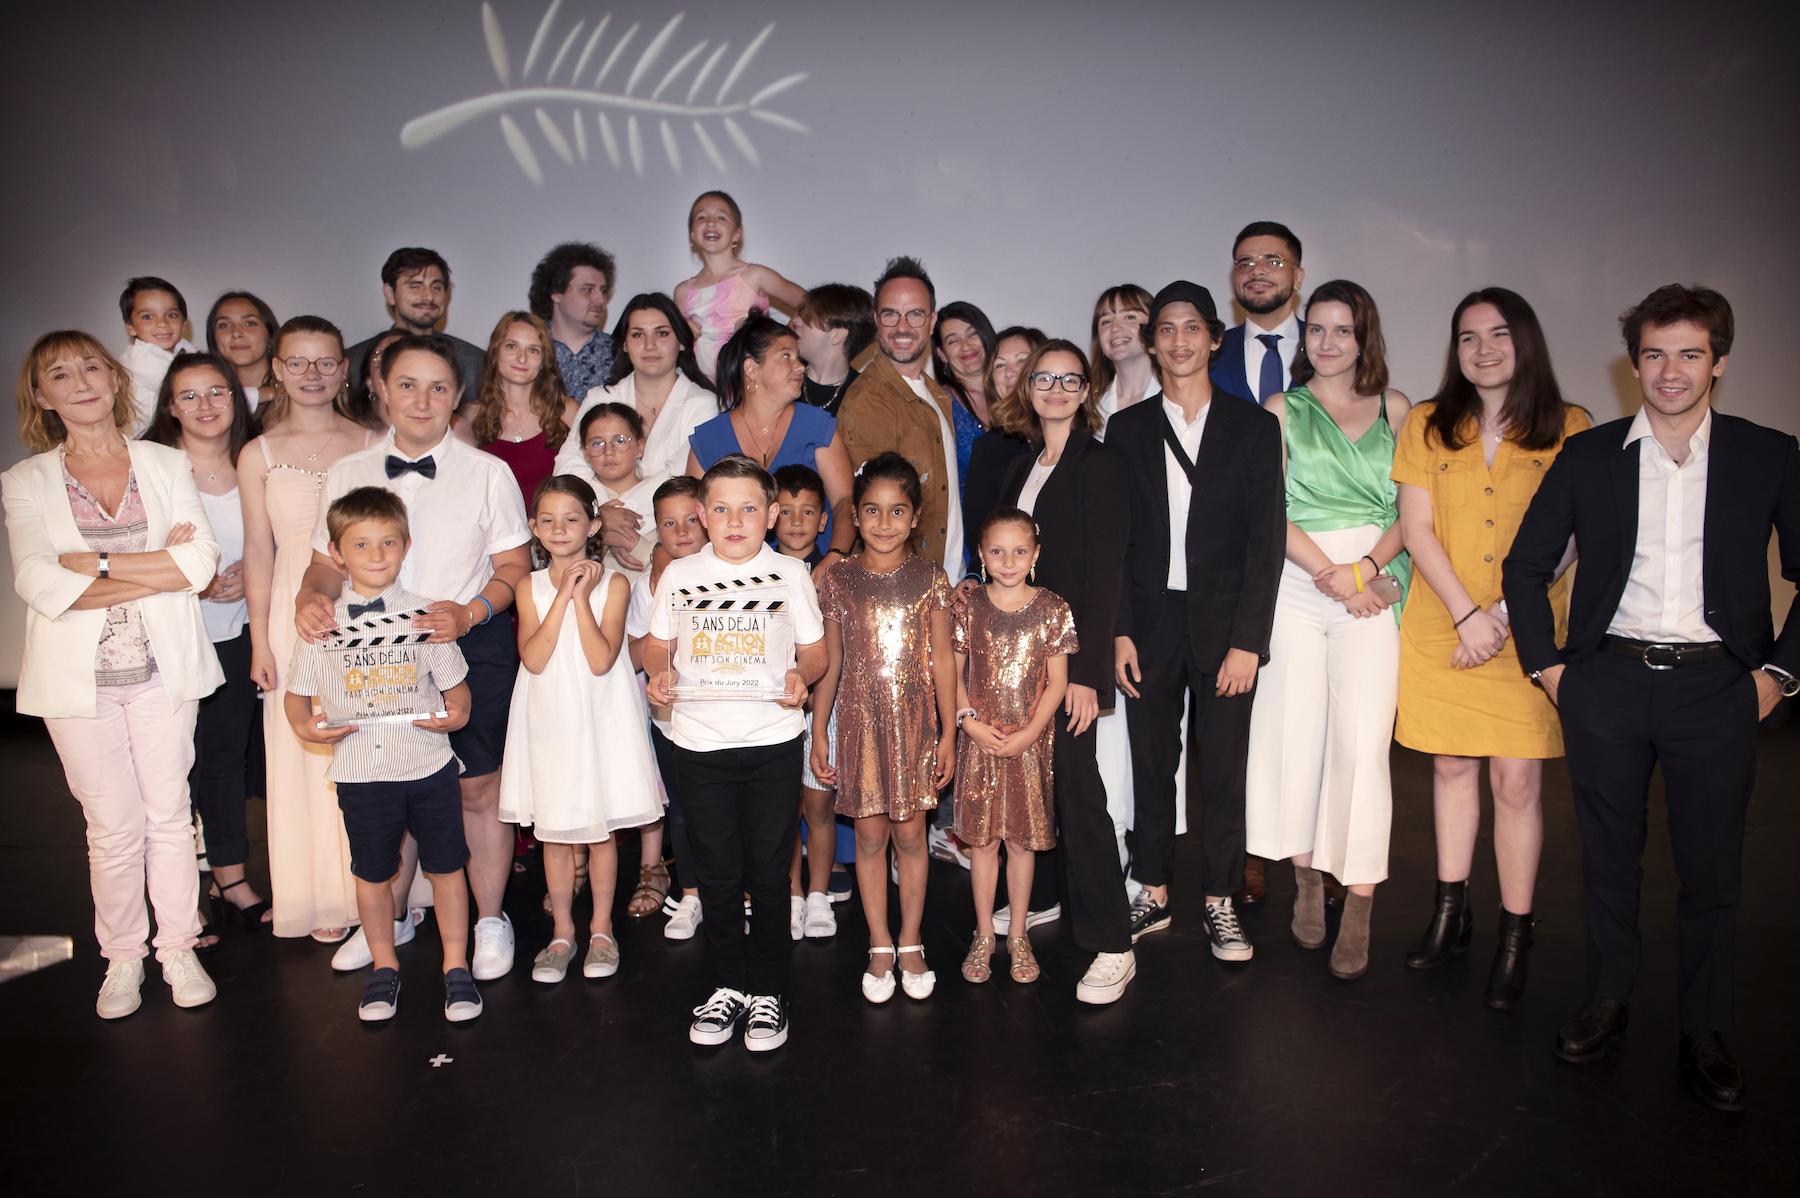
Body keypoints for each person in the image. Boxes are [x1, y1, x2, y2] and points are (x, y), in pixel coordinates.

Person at [1504, 284, 1800, 1113]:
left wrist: (1777, 677)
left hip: (1719, 688)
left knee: (1712, 868)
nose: (1672, 371)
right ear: (1634, 364)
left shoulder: (1769, 454)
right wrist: (1550, 670)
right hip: (1607, 683)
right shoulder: (1590, 455)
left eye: (1690, 354)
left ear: (1719, 362)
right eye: (1656, 354)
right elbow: (1525, 567)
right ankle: (1608, 1000)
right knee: (1607, 859)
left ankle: (1705, 1028)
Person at [296, 333, 532, 981]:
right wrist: (310, 598)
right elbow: (324, 565)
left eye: (437, 388)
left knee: (476, 787)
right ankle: (393, 919)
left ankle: (490, 920)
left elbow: (515, 569)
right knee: (388, 785)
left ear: (458, 397)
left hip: (467, 641)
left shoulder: (488, 473)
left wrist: (470, 613)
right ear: (380, 388)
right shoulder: (348, 472)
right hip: (374, 652)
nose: (422, 401)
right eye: (407, 385)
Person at [4, 330, 224, 1018]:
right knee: (111, 827)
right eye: (60, 374)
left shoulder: (165, 462)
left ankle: (178, 947)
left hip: (163, 670)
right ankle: (123, 957)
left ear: (115, 378)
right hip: (78, 684)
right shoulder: (25, 481)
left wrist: (95, 566)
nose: (81, 383)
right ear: (42, 397)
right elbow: (39, 583)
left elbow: (199, 566)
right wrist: (155, 569)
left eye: (91, 367)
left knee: (170, 816)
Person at [1393, 288, 1590, 1009]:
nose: (1483, 349)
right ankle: (1451, 911)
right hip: (1441, 624)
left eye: (1499, 334)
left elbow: (1573, 535)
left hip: (1526, 630)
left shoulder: (1570, 425)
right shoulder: (1426, 422)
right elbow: (1416, 529)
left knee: (1516, 782)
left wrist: (1502, 615)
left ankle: (1516, 931)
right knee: (1450, 767)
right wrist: (1467, 613)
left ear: (1525, 340)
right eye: (1469, 337)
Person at [1111, 282, 1284, 962]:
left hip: (1225, 625)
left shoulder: (1253, 427)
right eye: (1166, 329)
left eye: (1191, 328)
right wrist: (1122, 629)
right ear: (1152, 344)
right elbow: (1121, 542)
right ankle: (1153, 889)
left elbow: (1266, 542)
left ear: (1215, 338)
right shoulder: (1128, 429)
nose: (1178, 340)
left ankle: (1220, 898)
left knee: (1223, 769)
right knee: (1152, 764)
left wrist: (1249, 643)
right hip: (1152, 622)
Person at [1244, 282, 1412, 981]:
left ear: (1364, 335)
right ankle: (1308, 881)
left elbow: (1413, 510)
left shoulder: (1397, 408)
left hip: (1373, 587)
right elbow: (1270, 509)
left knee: (1363, 745)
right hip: (1298, 583)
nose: (1329, 342)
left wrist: (1366, 570)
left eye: (1343, 329)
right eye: (1317, 329)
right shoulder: (1281, 408)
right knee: (1296, 739)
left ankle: (1361, 900)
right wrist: (1330, 572)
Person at [645, 455, 827, 1052]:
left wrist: (801, 675)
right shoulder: (679, 574)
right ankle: (727, 984)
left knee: (770, 872)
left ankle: (770, 990)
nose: (734, 521)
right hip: (699, 741)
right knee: (716, 871)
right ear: (702, 515)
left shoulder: (790, 574)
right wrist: (660, 672)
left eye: (749, 508)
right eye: (720, 508)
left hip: (772, 741)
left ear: (771, 516)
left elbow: (816, 652)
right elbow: (655, 646)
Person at [282, 487, 479, 1023]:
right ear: (336, 552)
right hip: (361, 771)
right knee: (372, 871)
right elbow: (296, 696)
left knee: (446, 866)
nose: (376, 555)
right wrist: (304, 725)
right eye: (361, 544)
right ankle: (384, 965)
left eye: (388, 542)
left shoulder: (425, 617)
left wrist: (457, 713)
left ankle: (456, 966)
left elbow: (457, 689)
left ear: (406, 546)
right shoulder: (321, 625)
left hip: (428, 764)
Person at [997, 341, 1139, 1003]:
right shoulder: (1022, 465)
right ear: (1028, 387)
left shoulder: (1100, 464)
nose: (1055, 389)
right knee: (1041, 785)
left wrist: (1087, 672)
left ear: (1086, 392)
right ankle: (1051, 897)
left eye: (1069, 380)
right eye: (1043, 378)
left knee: (1079, 790)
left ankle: (1114, 942)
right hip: (1020, 656)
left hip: (1070, 661)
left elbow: (1105, 571)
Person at [240, 316, 379, 943]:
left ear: (343, 369)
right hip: (289, 615)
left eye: (325, 361)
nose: (312, 374)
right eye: (297, 362)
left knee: (370, 744)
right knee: (305, 751)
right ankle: (322, 894)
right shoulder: (258, 453)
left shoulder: (373, 441)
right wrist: (259, 640)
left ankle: (381, 889)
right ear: (277, 369)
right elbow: (258, 551)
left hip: (365, 606)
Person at [501, 475, 663, 984]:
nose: (559, 528)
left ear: (593, 525)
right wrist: (563, 594)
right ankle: (562, 933)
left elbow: (599, 659)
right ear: (533, 527)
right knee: (553, 831)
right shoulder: (527, 587)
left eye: (571, 518)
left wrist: (580, 597)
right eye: (547, 520)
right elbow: (533, 657)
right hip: (549, 715)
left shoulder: (614, 585)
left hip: (598, 714)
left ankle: (600, 930)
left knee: (599, 831)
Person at [810, 453, 957, 1002]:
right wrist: (819, 729)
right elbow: (831, 662)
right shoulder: (839, 579)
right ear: (855, 514)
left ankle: (911, 940)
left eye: (897, 511)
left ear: (915, 517)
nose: (884, 523)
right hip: (857, 725)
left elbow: (943, 661)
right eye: (872, 510)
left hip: (915, 724)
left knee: (912, 836)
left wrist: (948, 733)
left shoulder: (930, 579)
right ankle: (878, 942)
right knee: (870, 837)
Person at [144, 352, 271, 931]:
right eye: (189, 395)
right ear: (171, 407)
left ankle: (230, 875)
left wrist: (255, 575)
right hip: (170, 638)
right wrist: (194, 582)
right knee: (169, 771)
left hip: (239, 634)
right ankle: (172, 897)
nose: (206, 405)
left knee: (223, 760)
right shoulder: (153, 468)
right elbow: (141, 556)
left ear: (235, 398)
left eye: (217, 391)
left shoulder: (257, 460)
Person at [954, 507, 1075, 986]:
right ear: (981, 555)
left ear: (1036, 554)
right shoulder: (969, 608)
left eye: (1019, 551)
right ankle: (984, 933)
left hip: (1029, 746)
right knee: (983, 844)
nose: (1008, 561)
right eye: (998, 551)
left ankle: (1019, 933)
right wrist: (969, 724)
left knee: (1021, 843)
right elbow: (954, 674)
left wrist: (1029, 734)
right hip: (980, 742)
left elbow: (1058, 682)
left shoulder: (1052, 608)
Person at [555, 293, 721, 572]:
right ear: (624, 344)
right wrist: (599, 518)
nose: (649, 345)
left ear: (682, 341)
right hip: (593, 536)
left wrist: (617, 519)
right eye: (637, 334)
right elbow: (568, 467)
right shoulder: (600, 398)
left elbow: (683, 476)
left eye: (662, 333)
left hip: (672, 542)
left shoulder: (703, 404)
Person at [685, 315, 856, 559]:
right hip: (732, 575)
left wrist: (835, 556)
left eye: (798, 357)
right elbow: (690, 516)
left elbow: (844, 502)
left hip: (816, 569)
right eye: (786, 356)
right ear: (751, 369)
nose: (800, 366)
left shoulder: (818, 427)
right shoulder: (709, 439)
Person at [839, 256, 965, 579]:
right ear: (876, 320)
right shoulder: (868, 399)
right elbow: (880, 518)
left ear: (932, 321)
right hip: (903, 587)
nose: (903, 327)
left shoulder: (936, 393)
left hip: (947, 580)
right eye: (890, 314)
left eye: (915, 314)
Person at [625, 475, 708, 941]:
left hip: (727, 718)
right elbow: (636, 657)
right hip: (671, 719)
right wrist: (668, 626)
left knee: (727, 810)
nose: (681, 532)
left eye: (691, 520)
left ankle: (736, 890)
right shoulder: (648, 587)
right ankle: (690, 893)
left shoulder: (738, 575)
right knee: (682, 809)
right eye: (668, 524)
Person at [776, 463, 850, 934]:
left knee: (818, 807)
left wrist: (819, 722)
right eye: (786, 511)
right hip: (775, 709)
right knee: (783, 811)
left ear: (824, 520)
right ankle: (792, 894)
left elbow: (834, 655)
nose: (797, 521)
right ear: (770, 517)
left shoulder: (836, 574)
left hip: (825, 707)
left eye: (807, 511)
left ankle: (819, 894)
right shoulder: (758, 573)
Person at [675, 190, 805, 380]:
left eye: (721, 217)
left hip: (752, 385)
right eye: (701, 217)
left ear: (737, 234)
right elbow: (676, 345)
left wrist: (781, 342)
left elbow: (811, 304)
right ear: (692, 235)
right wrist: (682, 332)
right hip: (705, 390)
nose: (710, 222)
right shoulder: (683, 292)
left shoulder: (755, 275)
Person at [457, 311, 577, 507]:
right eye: (512, 346)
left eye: (533, 350)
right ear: (495, 352)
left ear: (544, 361)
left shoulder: (566, 412)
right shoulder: (471, 416)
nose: (522, 358)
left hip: (553, 525)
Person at [344, 247, 485, 398]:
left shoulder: (474, 363)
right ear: (390, 293)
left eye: (436, 287)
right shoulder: (354, 363)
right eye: (415, 286)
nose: (429, 296)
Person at [961, 326, 1045, 575]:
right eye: (1000, 365)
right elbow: (979, 530)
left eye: (1022, 361)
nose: (1011, 373)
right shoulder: (988, 448)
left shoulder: (1072, 438)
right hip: (1008, 580)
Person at [1211, 222, 1306, 408]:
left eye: (1273, 262)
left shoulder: (1327, 348)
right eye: (1245, 263)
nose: (1257, 271)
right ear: (1233, 278)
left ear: (1297, 277)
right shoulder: (1211, 354)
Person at [575, 403, 661, 579]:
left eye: (620, 441)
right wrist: (600, 534)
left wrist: (632, 543)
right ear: (585, 453)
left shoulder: (662, 496)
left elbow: (676, 563)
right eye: (597, 443)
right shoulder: (574, 500)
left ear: (640, 447)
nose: (608, 451)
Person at [528, 241, 618, 399]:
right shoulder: (527, 350)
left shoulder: (619, 354)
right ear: (556, 293)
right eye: (587, 290)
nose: (600, 300)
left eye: (603, 291)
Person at [118, 277, 198, 436]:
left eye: (171, 315)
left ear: (183, 324)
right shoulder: (141, 358)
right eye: (147, 317)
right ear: (131, 328)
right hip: (141, 440)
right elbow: (194, 386)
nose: (162, 323)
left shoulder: (182, 347)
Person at [932, 301, 999, 487]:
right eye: (953, 341)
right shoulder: (938, 405)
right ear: (942, 354)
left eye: (972, 334)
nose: (966, 345)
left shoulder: (1016, 394)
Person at [793, 283, 875, 417]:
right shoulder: (780, 376)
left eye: (808, 318)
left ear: (838, 335)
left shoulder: (867, 398)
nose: (796, 321)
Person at [1091, 285, 1157, 430]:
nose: (1115, 328)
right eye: (1106, 321)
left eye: (1129, 317)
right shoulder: (1090, 407)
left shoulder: (1177, 399)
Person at [205, 291, 278, 412]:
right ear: (213, 339)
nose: (236, 333)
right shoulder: (204, 398)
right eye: (224, 325)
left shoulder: (295, 390)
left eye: (250, 323)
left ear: (270, 335)